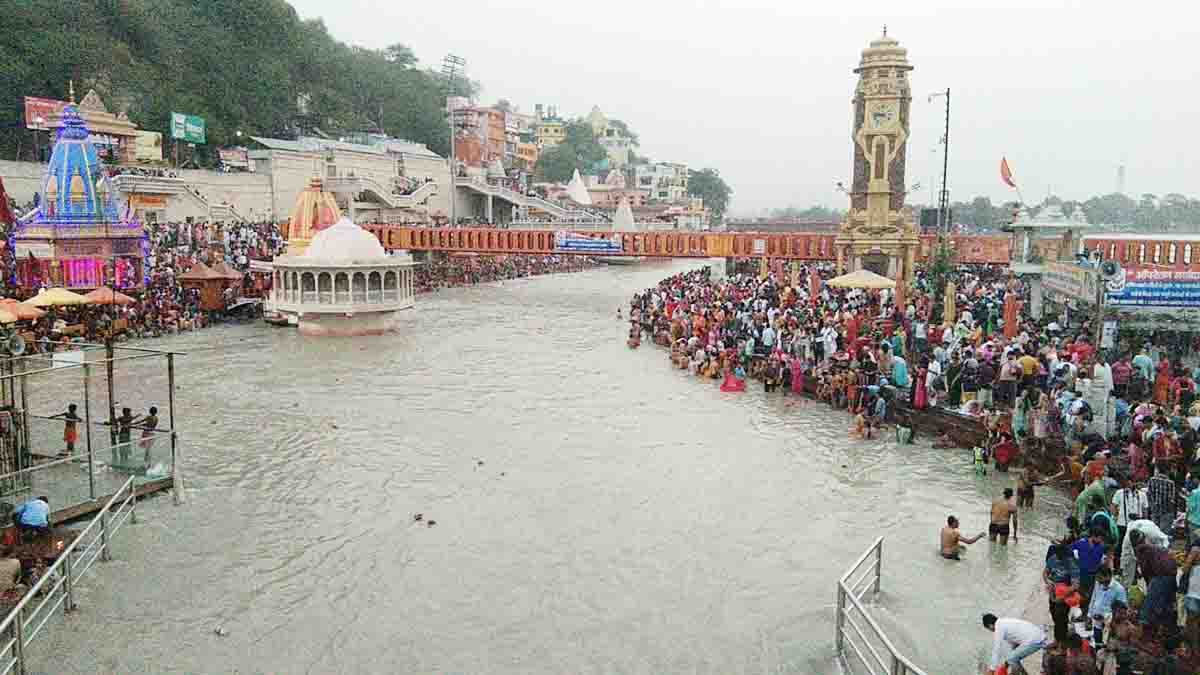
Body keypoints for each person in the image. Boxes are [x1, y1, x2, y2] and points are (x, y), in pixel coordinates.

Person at [1134, 533, 1178, 636]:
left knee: (1148, 607)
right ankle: (1166, 630)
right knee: (1166, 604)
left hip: (1162, 575)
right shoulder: (1155, 546)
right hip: (1172, 575)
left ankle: (1143, 632)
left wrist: (1148, 585)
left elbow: (1145, 570)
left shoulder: (1141, 550)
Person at [1085, 566, 1126, 646]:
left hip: (1109, 625)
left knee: (1106, 647)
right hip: (1096, 622)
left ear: (1108, 576)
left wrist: (1105, 618)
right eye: (1097, 578)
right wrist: (1089, 615)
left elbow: (1122, 611)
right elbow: (1094, 598)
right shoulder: (1098, 583)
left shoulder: (1119, 589)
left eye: (1100, 578)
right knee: (1097, 645)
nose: (1098, 580)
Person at [1071, 527, 1108, 599]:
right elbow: (1070, 553)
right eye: (1100, 538)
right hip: (1080, 576)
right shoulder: (1081, 543)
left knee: (1089, 597)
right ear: (1094, 536)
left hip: (1092, 577)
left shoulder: (1101, 547)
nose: (1101, 541)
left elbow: (1103, 561)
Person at [1182, 537, 1200, 653]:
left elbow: (1186, 568)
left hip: (1195, 591)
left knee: (1191, 622)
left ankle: (1194, 650)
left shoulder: (1196, 549)